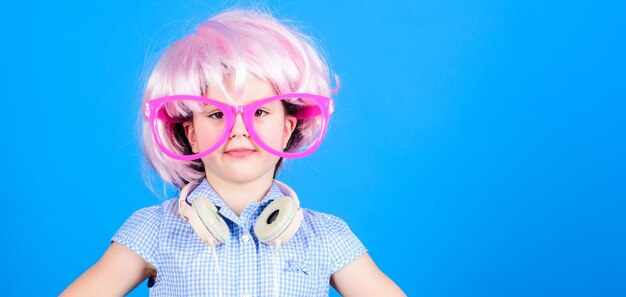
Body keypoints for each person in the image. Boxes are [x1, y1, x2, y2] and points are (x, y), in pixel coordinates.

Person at [61, 9, 405, 297]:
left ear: (287, 129)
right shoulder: (153, 229)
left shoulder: (327, 236)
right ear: (191, 134)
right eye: (216, 114)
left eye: (260, 112)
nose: (239, 129)